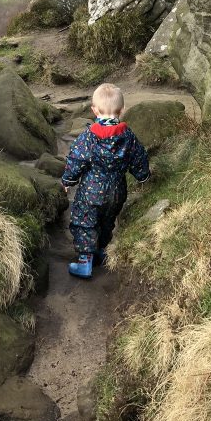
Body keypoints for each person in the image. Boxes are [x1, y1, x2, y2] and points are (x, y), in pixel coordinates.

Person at [61, 82, 150, 279]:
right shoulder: (128, 136)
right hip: (117, 191)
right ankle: (100, 250)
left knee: (85, 222)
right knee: (107, 221)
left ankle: (85, 261)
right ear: (123, 110)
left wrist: (67, 181)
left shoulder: (89, 137)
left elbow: (76, 159)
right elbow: (139, 157)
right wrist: (143, 176)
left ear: (94, 110)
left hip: (91, 192)